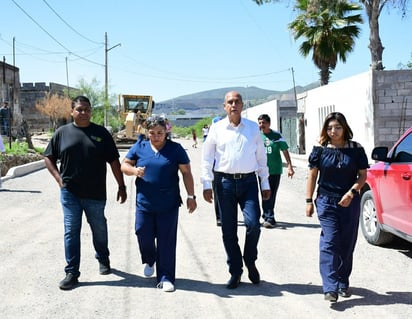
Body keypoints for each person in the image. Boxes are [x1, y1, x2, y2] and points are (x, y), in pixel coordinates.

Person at [44, 95, 127, 290]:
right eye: (79, 109)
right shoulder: (62, 133)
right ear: (72, 111)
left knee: (99, 228)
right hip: (70, 193)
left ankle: (103, 258)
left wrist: (121, 186)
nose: (84, 113)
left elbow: (114, 161)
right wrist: (58, 178)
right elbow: (48, 157)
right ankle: (72, 272)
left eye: (87, 109)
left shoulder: (101, 133)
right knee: (71, 231)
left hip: (96, 193)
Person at [201, 91, 270, 289]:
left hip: (248, 183)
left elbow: (261, 158)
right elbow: (206, 158)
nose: (233, 105)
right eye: (229, 102)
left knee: (253, 224)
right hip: (224, 183)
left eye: (236, 102)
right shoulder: (216, 128)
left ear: (242, 105)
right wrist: (207, 184)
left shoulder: (252, 128)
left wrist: (264, 183)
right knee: (228, 229)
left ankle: (250, 260)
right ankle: (236, 270)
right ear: (224, 106)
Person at [121, 115, 197, 293]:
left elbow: (186, 172)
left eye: (160, 133)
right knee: (142, 232)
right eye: (153, 133)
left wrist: (191, 196)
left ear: (166, 132)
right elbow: (124, 165)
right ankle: (150, 259)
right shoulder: (140, 147)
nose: (156, 136)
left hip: (168, 204)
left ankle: (166, 277)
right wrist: (134, 171)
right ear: (147, 133)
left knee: (166, 240)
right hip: (144, 203)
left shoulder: (175, 149)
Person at [305, 112, 368, 302]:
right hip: (326, 201)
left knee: (347, 244)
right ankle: (330, 287)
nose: (334, 131)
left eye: (337, 127)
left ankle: (342, 282)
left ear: (344, 128)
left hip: (350, 201)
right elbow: (312, 176)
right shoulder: (320, 149)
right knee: (330, 241)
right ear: (326, 129)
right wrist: (309, 201)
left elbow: (362, 176)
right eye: (330, 128)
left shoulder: (356, 149)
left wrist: (351, 193)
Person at [257, 114, 295, 228]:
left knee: (271, 194)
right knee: (264, 193)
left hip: (275, 170)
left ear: (269, 123)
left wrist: (290, 166)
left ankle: (269, 216)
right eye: (259, 123)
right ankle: (268, 216)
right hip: (261, 170)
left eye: (263, 123)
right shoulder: (257, 136)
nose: (261, 125)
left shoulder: (277, 136)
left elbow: (285, 150)